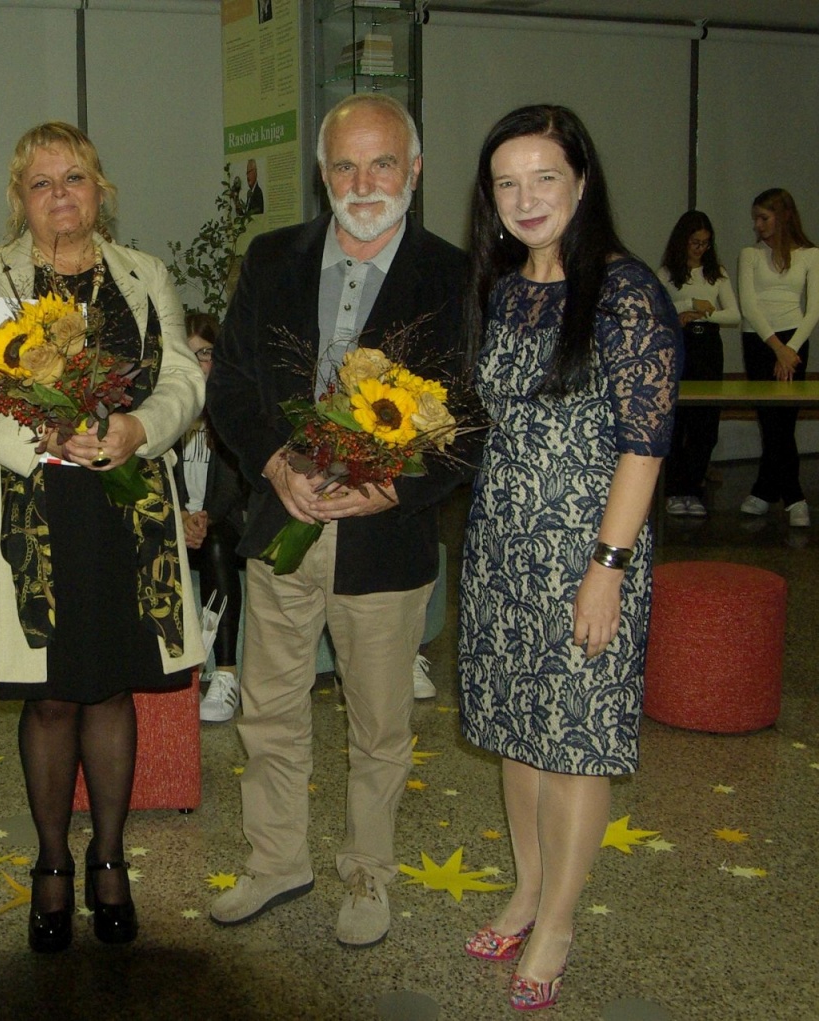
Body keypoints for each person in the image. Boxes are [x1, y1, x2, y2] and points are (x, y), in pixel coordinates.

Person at [0, 122, 206, 954]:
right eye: (41, 183)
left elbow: (184, 376)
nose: (59, 196)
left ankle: (110, 860)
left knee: (111, 687)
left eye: (73, 178)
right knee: (48, 694)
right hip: (29, 511)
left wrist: (139, 429)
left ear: (100, 188)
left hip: (125, 508)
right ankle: (51, 864)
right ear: (20, 198)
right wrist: (31, 440)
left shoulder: (144, 274)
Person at [207, 93, 469, 948]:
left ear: (415, 171)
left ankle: (368, 873)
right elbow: (234, 388)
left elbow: (472, 417)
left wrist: (395, 489)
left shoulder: (457, 277)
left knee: (380, 723)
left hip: (385, 538)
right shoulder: (272, 255)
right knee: (270, 709)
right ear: (323, 175)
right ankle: (276, 860)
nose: (364, 184)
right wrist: (276, 464)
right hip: (282, 520)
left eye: (382, 164)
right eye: (346, 166)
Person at [457, 105, 680, 1011]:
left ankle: (558, 919)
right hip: (502, 543)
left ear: (582, 181)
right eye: (507, 182)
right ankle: (525, 886)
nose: (526, 197)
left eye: (544, 176)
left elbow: (646, 439)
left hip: (587, 546)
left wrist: (609, 564)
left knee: (576, 741)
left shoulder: (626, 291)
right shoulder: (504, 286)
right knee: (517, 727)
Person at [175, 311, 248, 723]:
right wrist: (180, 516)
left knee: (218, 544)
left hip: (225, 526)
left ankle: (225, 675)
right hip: (176, 523)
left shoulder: (232, 409)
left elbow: (239, 483)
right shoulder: (162, 413)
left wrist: (203, 518)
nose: (196, 365)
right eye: (186, 356)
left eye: (204, 353)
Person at [737, 187, 819, 528]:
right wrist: (777, 348)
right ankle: (795, 496)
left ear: (783, 217)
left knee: (783, 421)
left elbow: (813, 308)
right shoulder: (750, 255)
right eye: (755, 218)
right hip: (760, 341)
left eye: (764, 218)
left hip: (794, 341)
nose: (758, 225)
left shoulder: (810, 255)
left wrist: (792, 349)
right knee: (770, 421)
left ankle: (764, 490)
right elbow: (750, 305)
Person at [656, 210, 740, 517]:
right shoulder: (667, 272)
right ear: (683, 240)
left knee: (705, 423)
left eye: (705, 243)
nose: (700, 248)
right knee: (677, 421)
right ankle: (674, 490)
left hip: (708, 345)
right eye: (695, 242)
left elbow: (734, 314)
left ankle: (693, 488)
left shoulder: (716, 271)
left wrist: (705, 313)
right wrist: (689, 306)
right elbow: (656, 311)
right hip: (679, 345)